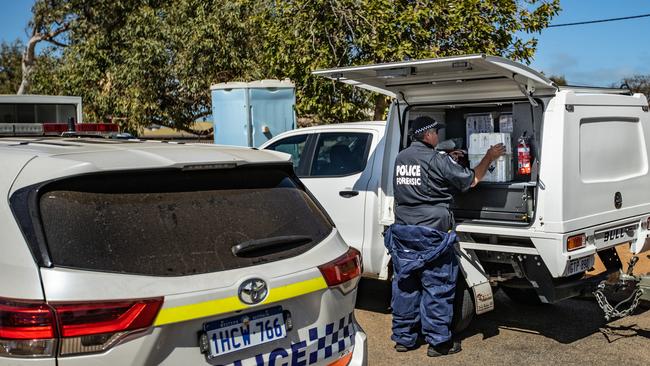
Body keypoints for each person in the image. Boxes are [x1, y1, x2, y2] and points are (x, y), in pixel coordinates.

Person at [385, 115, 505, 357]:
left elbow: (421, 177)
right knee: (437, 287)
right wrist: (489, 157)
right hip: (431, 235)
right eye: (436, 132)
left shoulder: (401, 157)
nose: (438, 135)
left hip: (403, 232)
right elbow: (472, 180)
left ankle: (404, 338)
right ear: (428, 134)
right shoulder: (436, 159)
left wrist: (448, 161)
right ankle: (439, 343)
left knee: (406, 286)